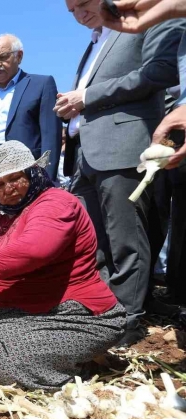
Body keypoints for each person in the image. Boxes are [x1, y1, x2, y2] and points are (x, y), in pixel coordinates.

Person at [0, 141, 125, 391]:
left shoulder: (56, 202)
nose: (8, 188)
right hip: (31, 306)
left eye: (15, 178)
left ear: (33, 174)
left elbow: (34, 249)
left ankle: (82, 370)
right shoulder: (3, 215)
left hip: (75, 313)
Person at [56, 0, 183, 346]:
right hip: (85, 156)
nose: (81, 14)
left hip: (122, 146)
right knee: (92, 244)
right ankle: (101, 314)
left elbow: (160, 72)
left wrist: (87, 96)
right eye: (72, 12)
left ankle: (127, 322)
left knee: (127, 241)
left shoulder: (145, 23)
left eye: (84, 4)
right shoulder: (94, 42)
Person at [0, 34, 62, 234]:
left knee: (25, 226)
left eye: (2, 57)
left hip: (20, 165)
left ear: (19, 56)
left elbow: (51, 134)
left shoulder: (41, 85)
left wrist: (46, 180)